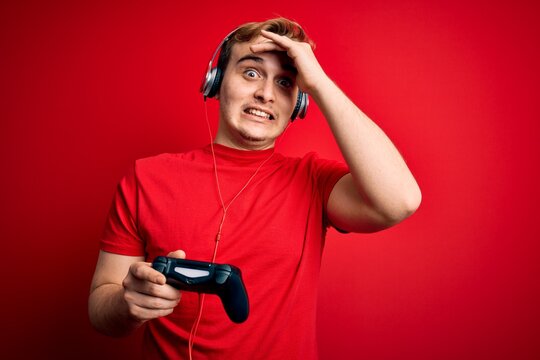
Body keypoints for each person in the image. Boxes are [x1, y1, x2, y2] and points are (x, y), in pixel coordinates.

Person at [88, 17, 421, 359]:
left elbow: (400, 200)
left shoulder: (312, 180)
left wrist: (319, 82)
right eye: (251, 72)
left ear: (299, 105)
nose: (265, 93)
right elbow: (101, 307)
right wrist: (127, 304)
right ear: (215, 82)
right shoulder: (147, 176)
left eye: (285, 82)